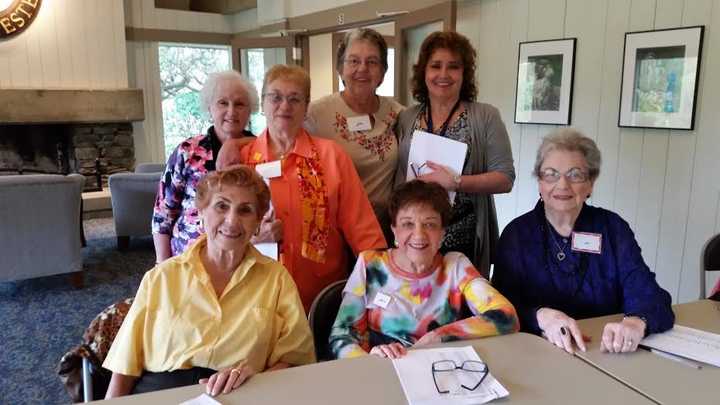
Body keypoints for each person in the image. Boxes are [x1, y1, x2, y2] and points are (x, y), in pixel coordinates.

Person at [103, 166, 315, 398]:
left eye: (245, 210)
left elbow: (295, 359)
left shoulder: (277, 279)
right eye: (221, 206)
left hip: (242, 393)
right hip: (164, 393)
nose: (232, 221)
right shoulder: (162, 278)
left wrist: (257, 378)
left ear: (257, 222)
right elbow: (124, 367)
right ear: (201, 212)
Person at [217, 64, 386, 310]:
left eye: (294, 99)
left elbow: (364, 231)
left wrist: (383, 288)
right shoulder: (241, 162)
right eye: (275, 97)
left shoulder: (331, 156)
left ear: (306, 107)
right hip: (254, 299)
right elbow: (216, 233)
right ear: (262, 104)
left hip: (319, 299)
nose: (284, 106)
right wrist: (253, 238)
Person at [492, 128, 674, 355]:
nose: (562, 185)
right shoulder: (517, 235)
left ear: (591, 183)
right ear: (539, 182)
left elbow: (650, 295)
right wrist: (540, 316)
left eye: (575, 174)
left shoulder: (612, 230)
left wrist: (636, 323)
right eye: (551, 174)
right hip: (536, 354)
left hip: (604, 352)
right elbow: (497, 306)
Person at [329, 180, 519, 359]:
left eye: (430, 224)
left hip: (440, 371)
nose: (419, 235)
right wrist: (371, 359)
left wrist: (438, 336)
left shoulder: (455, 266)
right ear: (394, 229)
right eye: (407, 224)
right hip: (381, 370)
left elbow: (506, 317)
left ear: (442, 232)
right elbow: (341, 336)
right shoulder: (370, 264)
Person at [395, 31, 515, 277]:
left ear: (464, 74)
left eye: (453, 67)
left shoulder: (485, 117)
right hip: (414, 236)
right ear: (423, 72)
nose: (443, 74)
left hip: (464, 239)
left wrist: (457, 182)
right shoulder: (407, 117)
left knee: (461, 309)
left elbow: (505, 178)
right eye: (435, 66)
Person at [306, 28, 404, 239]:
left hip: (382, 230)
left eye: (372, 62)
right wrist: (237, 143)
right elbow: (278, 138)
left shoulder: (397, 113)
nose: (363, 69)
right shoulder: (315, 114)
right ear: (340, 69)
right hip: (335, 232)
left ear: (383, 72)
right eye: (353, 61)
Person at [152, 70, 257, 262]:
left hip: (243, 262)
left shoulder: (260, 153)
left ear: (250, 110)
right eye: (223, 103)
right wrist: (162, 265)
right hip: (187, 261)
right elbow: (163, 214)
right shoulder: (188, 152)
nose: (232, 111)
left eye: (240, 104)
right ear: (210, 108)